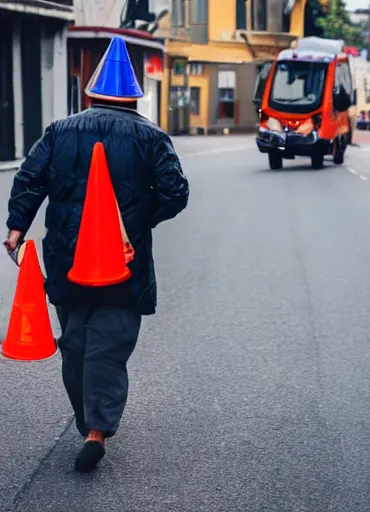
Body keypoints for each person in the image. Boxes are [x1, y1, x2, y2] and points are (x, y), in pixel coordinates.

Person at [5, 37, 189, 472]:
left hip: (67, 258)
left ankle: (88, 419)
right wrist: (140, 220)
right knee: (110, 342)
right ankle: (96, 430)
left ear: (90, 93)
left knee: (75, 342)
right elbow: (176, 194)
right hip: (124, 262)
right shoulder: (151, 136)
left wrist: (16, 228)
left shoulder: (60, 131)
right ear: (133, 97)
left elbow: (30, 179)